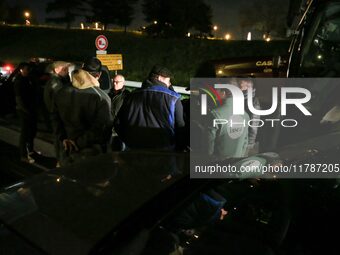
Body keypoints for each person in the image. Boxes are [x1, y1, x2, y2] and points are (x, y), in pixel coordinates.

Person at [53, 57, 113, 166]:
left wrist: (63, 139)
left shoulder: (61, 92)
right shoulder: (101, 97)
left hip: (65, 150)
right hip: (90, 155)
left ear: (81, 70)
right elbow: (102, 129)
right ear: (98, 75)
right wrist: (77, 143)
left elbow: (55, 120)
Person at [114, 65, 185, 151]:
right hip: (164, 153)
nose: (169, 84)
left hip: (134, 153)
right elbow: (180, 129)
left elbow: (118, 123)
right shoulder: (173, 98)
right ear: (159, 78)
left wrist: (129, 141)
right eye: (168, 80)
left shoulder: (131, 97)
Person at [204, 83, 249, 160]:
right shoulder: (245, 115)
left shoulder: (215, 114)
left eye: (217, 90)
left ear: (223, 93)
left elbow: (208, 146)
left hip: (218, 164)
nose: (214, 92)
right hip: (236, 162)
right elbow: (245, 142)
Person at [13, 63, 38, 163]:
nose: (29, 71)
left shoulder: (28, 79)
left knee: (32, 131)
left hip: (31, 109)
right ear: (21, 70)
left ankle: (31, 150)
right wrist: (25, 110)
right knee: (24, 133)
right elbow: (18, 98)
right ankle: (23, 154)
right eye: (27, 69)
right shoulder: (18, 81)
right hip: (23, 111)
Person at [238, 78, 261, 155]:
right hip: (241, 141)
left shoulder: (253, 102)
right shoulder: (242, 99)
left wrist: (249, 145)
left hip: (247, 144)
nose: (238, 88)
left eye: (240, 86)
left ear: (248, 87)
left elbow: (253, 126)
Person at [108, 74, 130, 151]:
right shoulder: (109, 94)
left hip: (119, 132)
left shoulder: (127, 96)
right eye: (113, 81)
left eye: (117, 82)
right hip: (108, 130)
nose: (114, 83)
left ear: (123, 83)